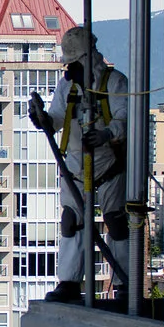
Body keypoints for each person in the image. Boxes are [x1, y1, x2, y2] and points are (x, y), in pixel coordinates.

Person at [38, 24, 127, 299]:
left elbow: (127, 117)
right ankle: (69, 281)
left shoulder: (114, 83)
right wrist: (42, 120)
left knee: (116, 221)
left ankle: (125, 282)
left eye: (74, 63)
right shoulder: (67, 86)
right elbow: (55, 117)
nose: (69, 70)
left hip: (109, 162)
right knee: (71, 219)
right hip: (77, 165)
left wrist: (107, 134)